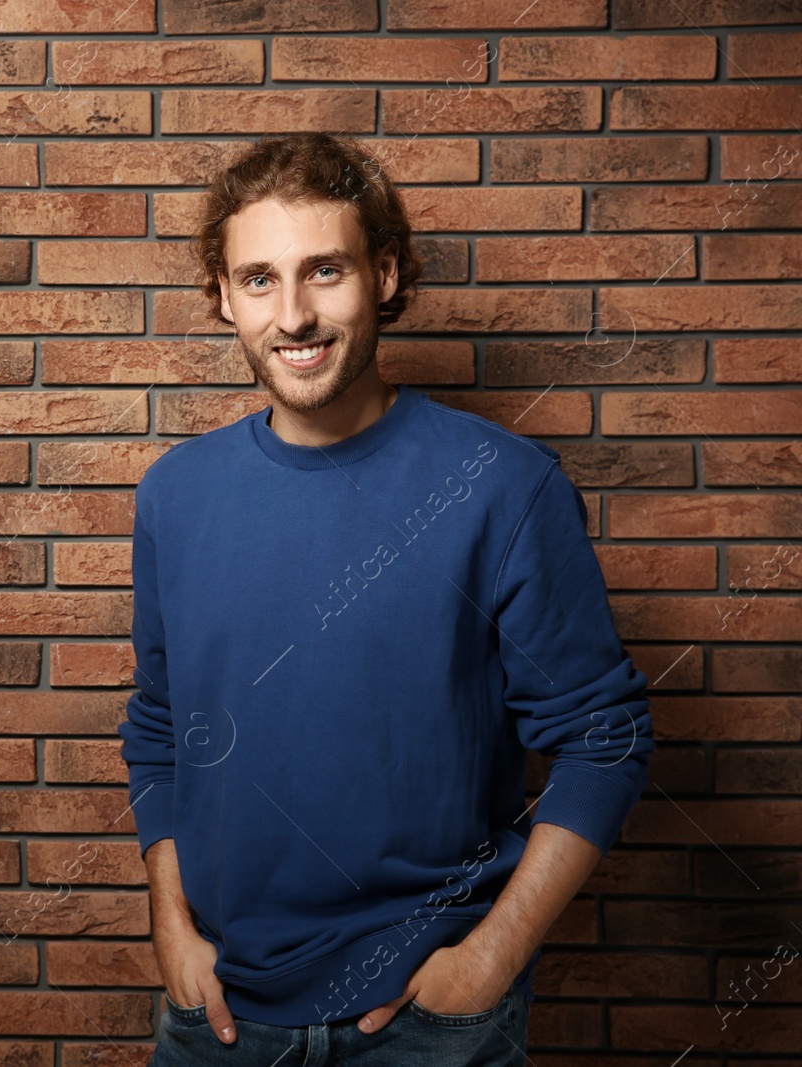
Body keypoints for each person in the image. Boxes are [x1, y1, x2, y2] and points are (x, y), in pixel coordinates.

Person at [118, 131, 654, 1066]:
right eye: (258, 279)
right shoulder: (176, 493)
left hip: (429, 1027)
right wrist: (170, 919)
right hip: (219, 1021)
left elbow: (602, 737)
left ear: (386, 272)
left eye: (324, 270)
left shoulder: (501, 484)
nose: (293, 315)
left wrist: (491, 956)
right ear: (222, 297)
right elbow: (163, 726)